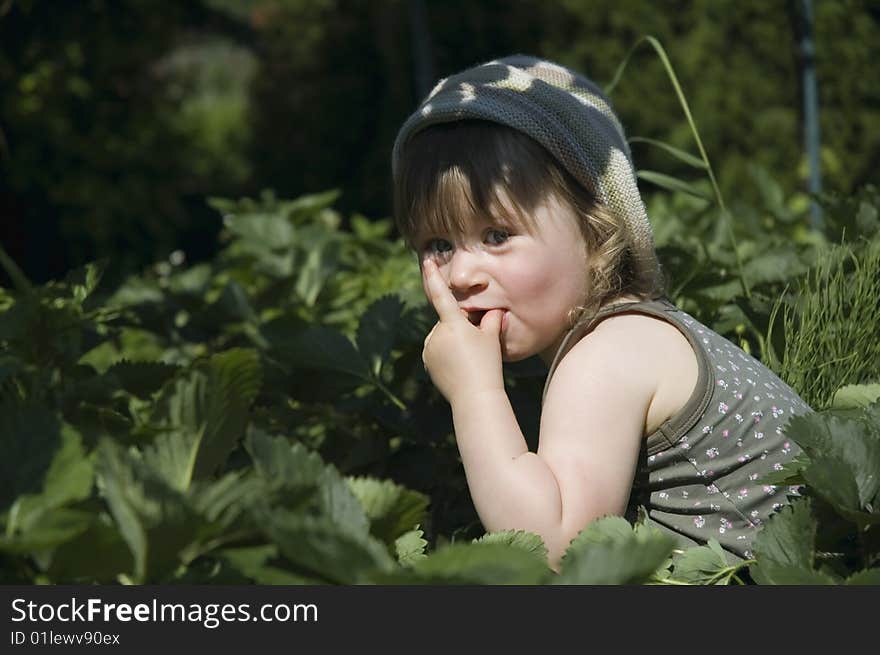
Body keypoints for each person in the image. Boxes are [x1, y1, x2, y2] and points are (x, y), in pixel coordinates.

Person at [390, 54, 812, 570]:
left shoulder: (604, 356)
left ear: (595, 234)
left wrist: (475, 393)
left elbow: (559, 550)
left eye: (496, 236)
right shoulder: (631, 330)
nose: (460, 276)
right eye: (438, 244)